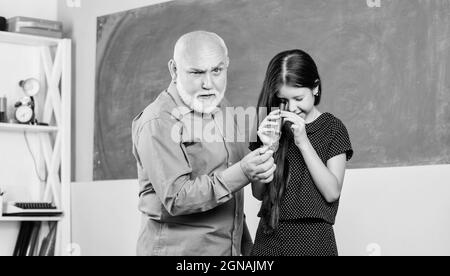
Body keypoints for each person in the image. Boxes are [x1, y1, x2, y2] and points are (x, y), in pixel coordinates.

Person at [131, 31, 276, 256]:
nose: (209, 84)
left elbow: (231, 206)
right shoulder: (158, 121)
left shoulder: (222, 107)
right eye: (197, 72)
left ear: (226, 65)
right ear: (174, 70)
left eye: (217, 70)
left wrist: (247, 251)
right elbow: (177, 198)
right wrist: (244, 171)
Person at [250, 49, 353, 256]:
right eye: (283, 100)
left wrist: (303, 141)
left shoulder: (332, 128)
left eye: (298, 98)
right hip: (270, 238)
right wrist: (268, 148)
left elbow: (332, 192)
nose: (291, 108)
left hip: (315, 240)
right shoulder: (268, 124)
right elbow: (258, 192)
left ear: (315, 88)